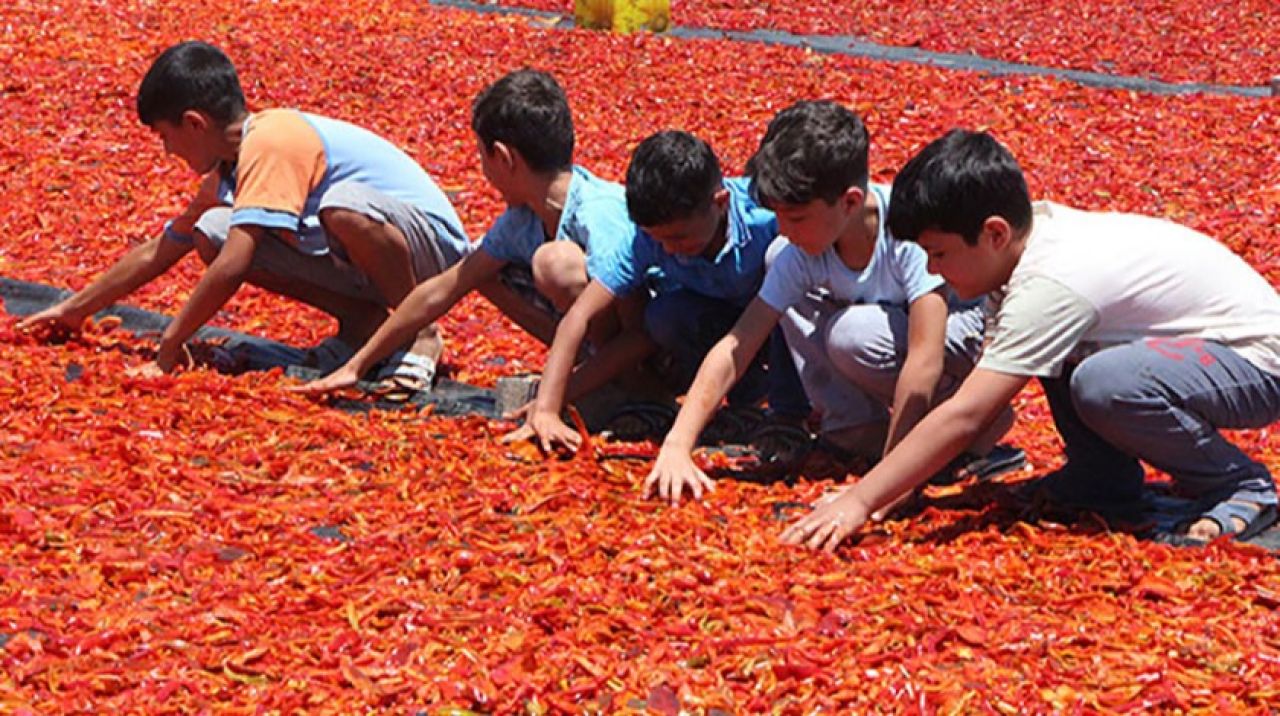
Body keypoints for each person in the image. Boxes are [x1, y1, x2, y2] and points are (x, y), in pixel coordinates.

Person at [782, 129, 1280, 551]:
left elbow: (969, 412)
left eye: (939, 253)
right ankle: (1099, 479)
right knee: (1063, 358)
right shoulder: (1021, 253)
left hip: (1254, 362)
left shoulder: (1050, 282)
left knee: (1104, 382)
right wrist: (893, 486)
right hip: (1196, 354)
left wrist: (862, 499)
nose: (932, 270)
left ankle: (1238, 485)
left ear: (995, 234)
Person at [19, 41, 469, 378]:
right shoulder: (230, 168)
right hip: (372, 248)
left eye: (165, 136)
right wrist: (75, 309)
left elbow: (235, 264)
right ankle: (362, 324)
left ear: (194, 123)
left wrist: (169, 347)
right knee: (212, 228)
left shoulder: (271, 142)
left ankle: (419, 334)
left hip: (430, 252)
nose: (166, 149)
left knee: (339, 208)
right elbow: (166, 246)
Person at [646, 102, 1014, 504]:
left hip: (957, 341)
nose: (783, 229)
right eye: (778, 215)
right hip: (888, 347)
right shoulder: (796, 251)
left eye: (797, 217)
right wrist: (677, 444)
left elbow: (924, 361)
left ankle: (964, 424)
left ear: (851, 202)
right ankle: (859, 431)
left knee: (853, 333)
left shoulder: (906, 233)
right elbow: (739, 343)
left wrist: (882, 489)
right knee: (790, 279)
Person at [293, 69, 638, 398]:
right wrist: (358, 365)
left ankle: (627, 388)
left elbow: (641, 327)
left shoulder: (599, 213)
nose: (483, 170)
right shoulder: (524, 219)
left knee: (556, 263)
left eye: (482, 157)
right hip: (612, 339)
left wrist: (552, 400)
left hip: (658, 348)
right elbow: (444, 287)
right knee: (483, 271)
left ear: (503, 156)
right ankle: (596, 374)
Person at [505, 130, 806, 452]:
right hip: (712, 322)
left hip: (779, 324)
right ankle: (739, 399)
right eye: (659, 239)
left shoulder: (766, 218)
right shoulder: (646, 240)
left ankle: (788, 412)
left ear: (720, 204)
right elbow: (578, 317)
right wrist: (548, 407)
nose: (670, 250)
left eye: (679, 238)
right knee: (665, 315)